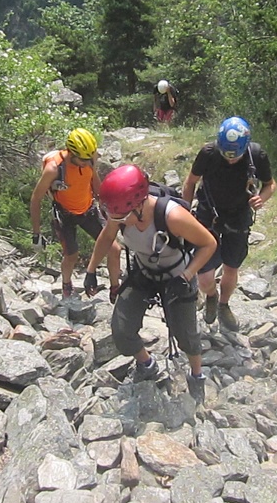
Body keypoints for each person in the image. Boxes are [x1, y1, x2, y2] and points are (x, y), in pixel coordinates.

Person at [83, 164, 217, 402]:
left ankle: (197, 374)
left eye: (123, 218)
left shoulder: (172, 216)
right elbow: (107, 235)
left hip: (177, 275)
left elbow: (209, 244)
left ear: (139, 204)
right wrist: (91, 270)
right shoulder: (120, 211)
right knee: (121, 330)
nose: (119, 222)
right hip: (143, 273)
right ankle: (147, 364)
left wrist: (186, 276)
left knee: (186, 335)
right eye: (116, 218)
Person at [182, 116, 277, 332]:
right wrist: (185, 213)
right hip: (209, 214)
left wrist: (262, 197)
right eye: (226, 155)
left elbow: (270, 185)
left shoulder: (257, 155)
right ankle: (211, 296)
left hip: (239, 216)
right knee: (204, 275)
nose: (231, 160)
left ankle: (224, 305)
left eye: (235, 156)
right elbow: (190, 182)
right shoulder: (208, 153)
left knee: (231, 267)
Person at [30, 128, 121, 301]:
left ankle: (115, 288)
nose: (87, 163)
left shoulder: (88, 158)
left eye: (90, 159)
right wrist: (36, 233)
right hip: (64, 214)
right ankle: (66, 285)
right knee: (71, 254)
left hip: (88, 209)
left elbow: (93, 179)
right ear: (71, 152)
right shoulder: (54, 169)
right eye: (83, 160)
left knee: (115, 249)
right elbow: (36, 198)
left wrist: (106, 204)